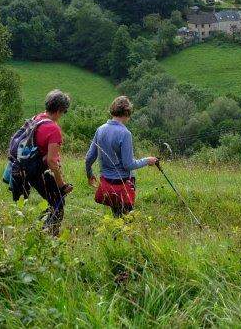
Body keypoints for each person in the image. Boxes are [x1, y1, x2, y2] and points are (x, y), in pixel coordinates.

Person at [10, 90, 73, 235]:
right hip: (38, 171)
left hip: (25, 168)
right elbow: (51, 161)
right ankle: (45, 238)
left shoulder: (37, 118)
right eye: (64, 112)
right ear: (59, 110)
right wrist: (61, 185)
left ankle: (38, 232)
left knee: (52, 203)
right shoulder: (53, 129)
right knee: (58, 204)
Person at [85, 96, 158, 217]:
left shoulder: (100, 130)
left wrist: (89, 174)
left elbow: (89, 158)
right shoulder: (125, 134)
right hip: (123, 184)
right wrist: (147, 160)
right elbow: (128, 164)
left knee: (116, 216)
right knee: (126, 220)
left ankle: (114, 233)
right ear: (127, 113)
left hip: (106, 183)